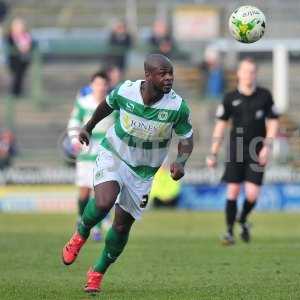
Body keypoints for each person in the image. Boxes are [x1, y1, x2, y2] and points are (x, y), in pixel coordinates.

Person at [62, 54, 194, 293]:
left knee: (122, 227)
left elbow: (186, 138)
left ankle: (97, 272)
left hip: (143, 172)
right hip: (115, 154)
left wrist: (181, 161)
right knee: (104, 202)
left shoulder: (177, 107)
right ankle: (81, 233)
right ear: (148, 75)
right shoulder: (126, 91)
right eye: (163, 73)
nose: (169, 78)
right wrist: (88, 127)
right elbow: (107, 105)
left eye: (170, 73)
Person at [206, 57, 279, 245]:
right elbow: (220, 126)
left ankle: (243, 219)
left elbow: (273, 122)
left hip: (257, 149)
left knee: (253, 194)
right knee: (233, 190)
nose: (249, 75)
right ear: (238, 73)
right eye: (245, 71)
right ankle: (229, 232)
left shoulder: (264, 96)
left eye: (252, 71)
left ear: (256, 74)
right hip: (236, 149)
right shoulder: (230, 98)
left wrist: (267, 146)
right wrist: (213, 153)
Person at [67, 71, 117, 241]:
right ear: (92, 85)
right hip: (86, 149)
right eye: (97, 84)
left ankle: (95, 227)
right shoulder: (83, 102)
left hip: (105, 150)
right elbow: (74, 121)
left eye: (103, 84)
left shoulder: (113, 102)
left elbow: (119, 124)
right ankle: (81, 218)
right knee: (84, 191)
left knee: (99, 190)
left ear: (107, 86)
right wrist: (75, 140)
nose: (100, 87)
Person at [5, 17, 34, 97]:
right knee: (15, 76)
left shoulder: (26, 36)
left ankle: (18, 92)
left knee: (20, 76)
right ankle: (14, 93)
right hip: (14, 60)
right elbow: (10, 44)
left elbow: (31, 44)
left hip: (24, 60)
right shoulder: (10, 36)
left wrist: (27, 48)